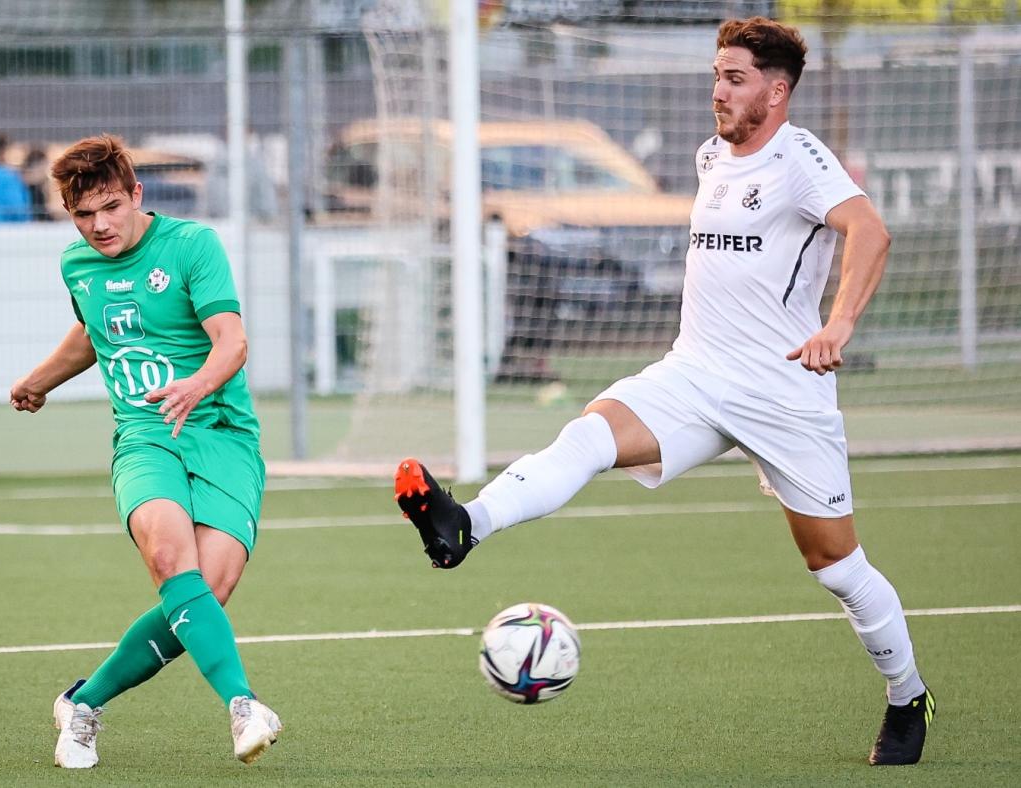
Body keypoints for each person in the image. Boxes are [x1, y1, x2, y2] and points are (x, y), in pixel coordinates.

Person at [395, 17, 934, 767]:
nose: (719, 91)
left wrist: (837, 326)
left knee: (837, 567)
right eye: (717, 75)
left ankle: (907, 695)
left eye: (736, 78)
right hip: (694, 373)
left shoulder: (802, 158)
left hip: (783, 392)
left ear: (777, 92)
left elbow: (868, 232)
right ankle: (464, 524)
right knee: (588, 436)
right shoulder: (712, 154)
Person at [10, 134, 281, 768]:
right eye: (82, 214)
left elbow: (232, 342)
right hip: (145, 434)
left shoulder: (193, 246)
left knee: (207, 590)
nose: (99, 226)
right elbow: (94, 330)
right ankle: (244, 705)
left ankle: (84, 702)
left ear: (137, 194)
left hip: (222, 434)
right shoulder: (76, 264)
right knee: (167, 556)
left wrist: (196, 383)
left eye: (110, 207)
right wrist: (38, 381)